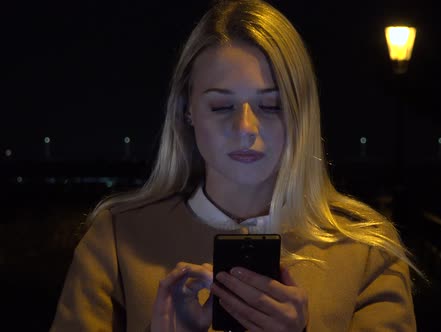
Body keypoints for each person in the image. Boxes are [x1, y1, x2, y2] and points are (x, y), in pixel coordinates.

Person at [50, 0, 420, 331]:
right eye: (221, 106)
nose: (245, 128)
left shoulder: (366, 251)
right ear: (187, 110)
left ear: (302, 115)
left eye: (272, 105)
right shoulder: (118, 240)